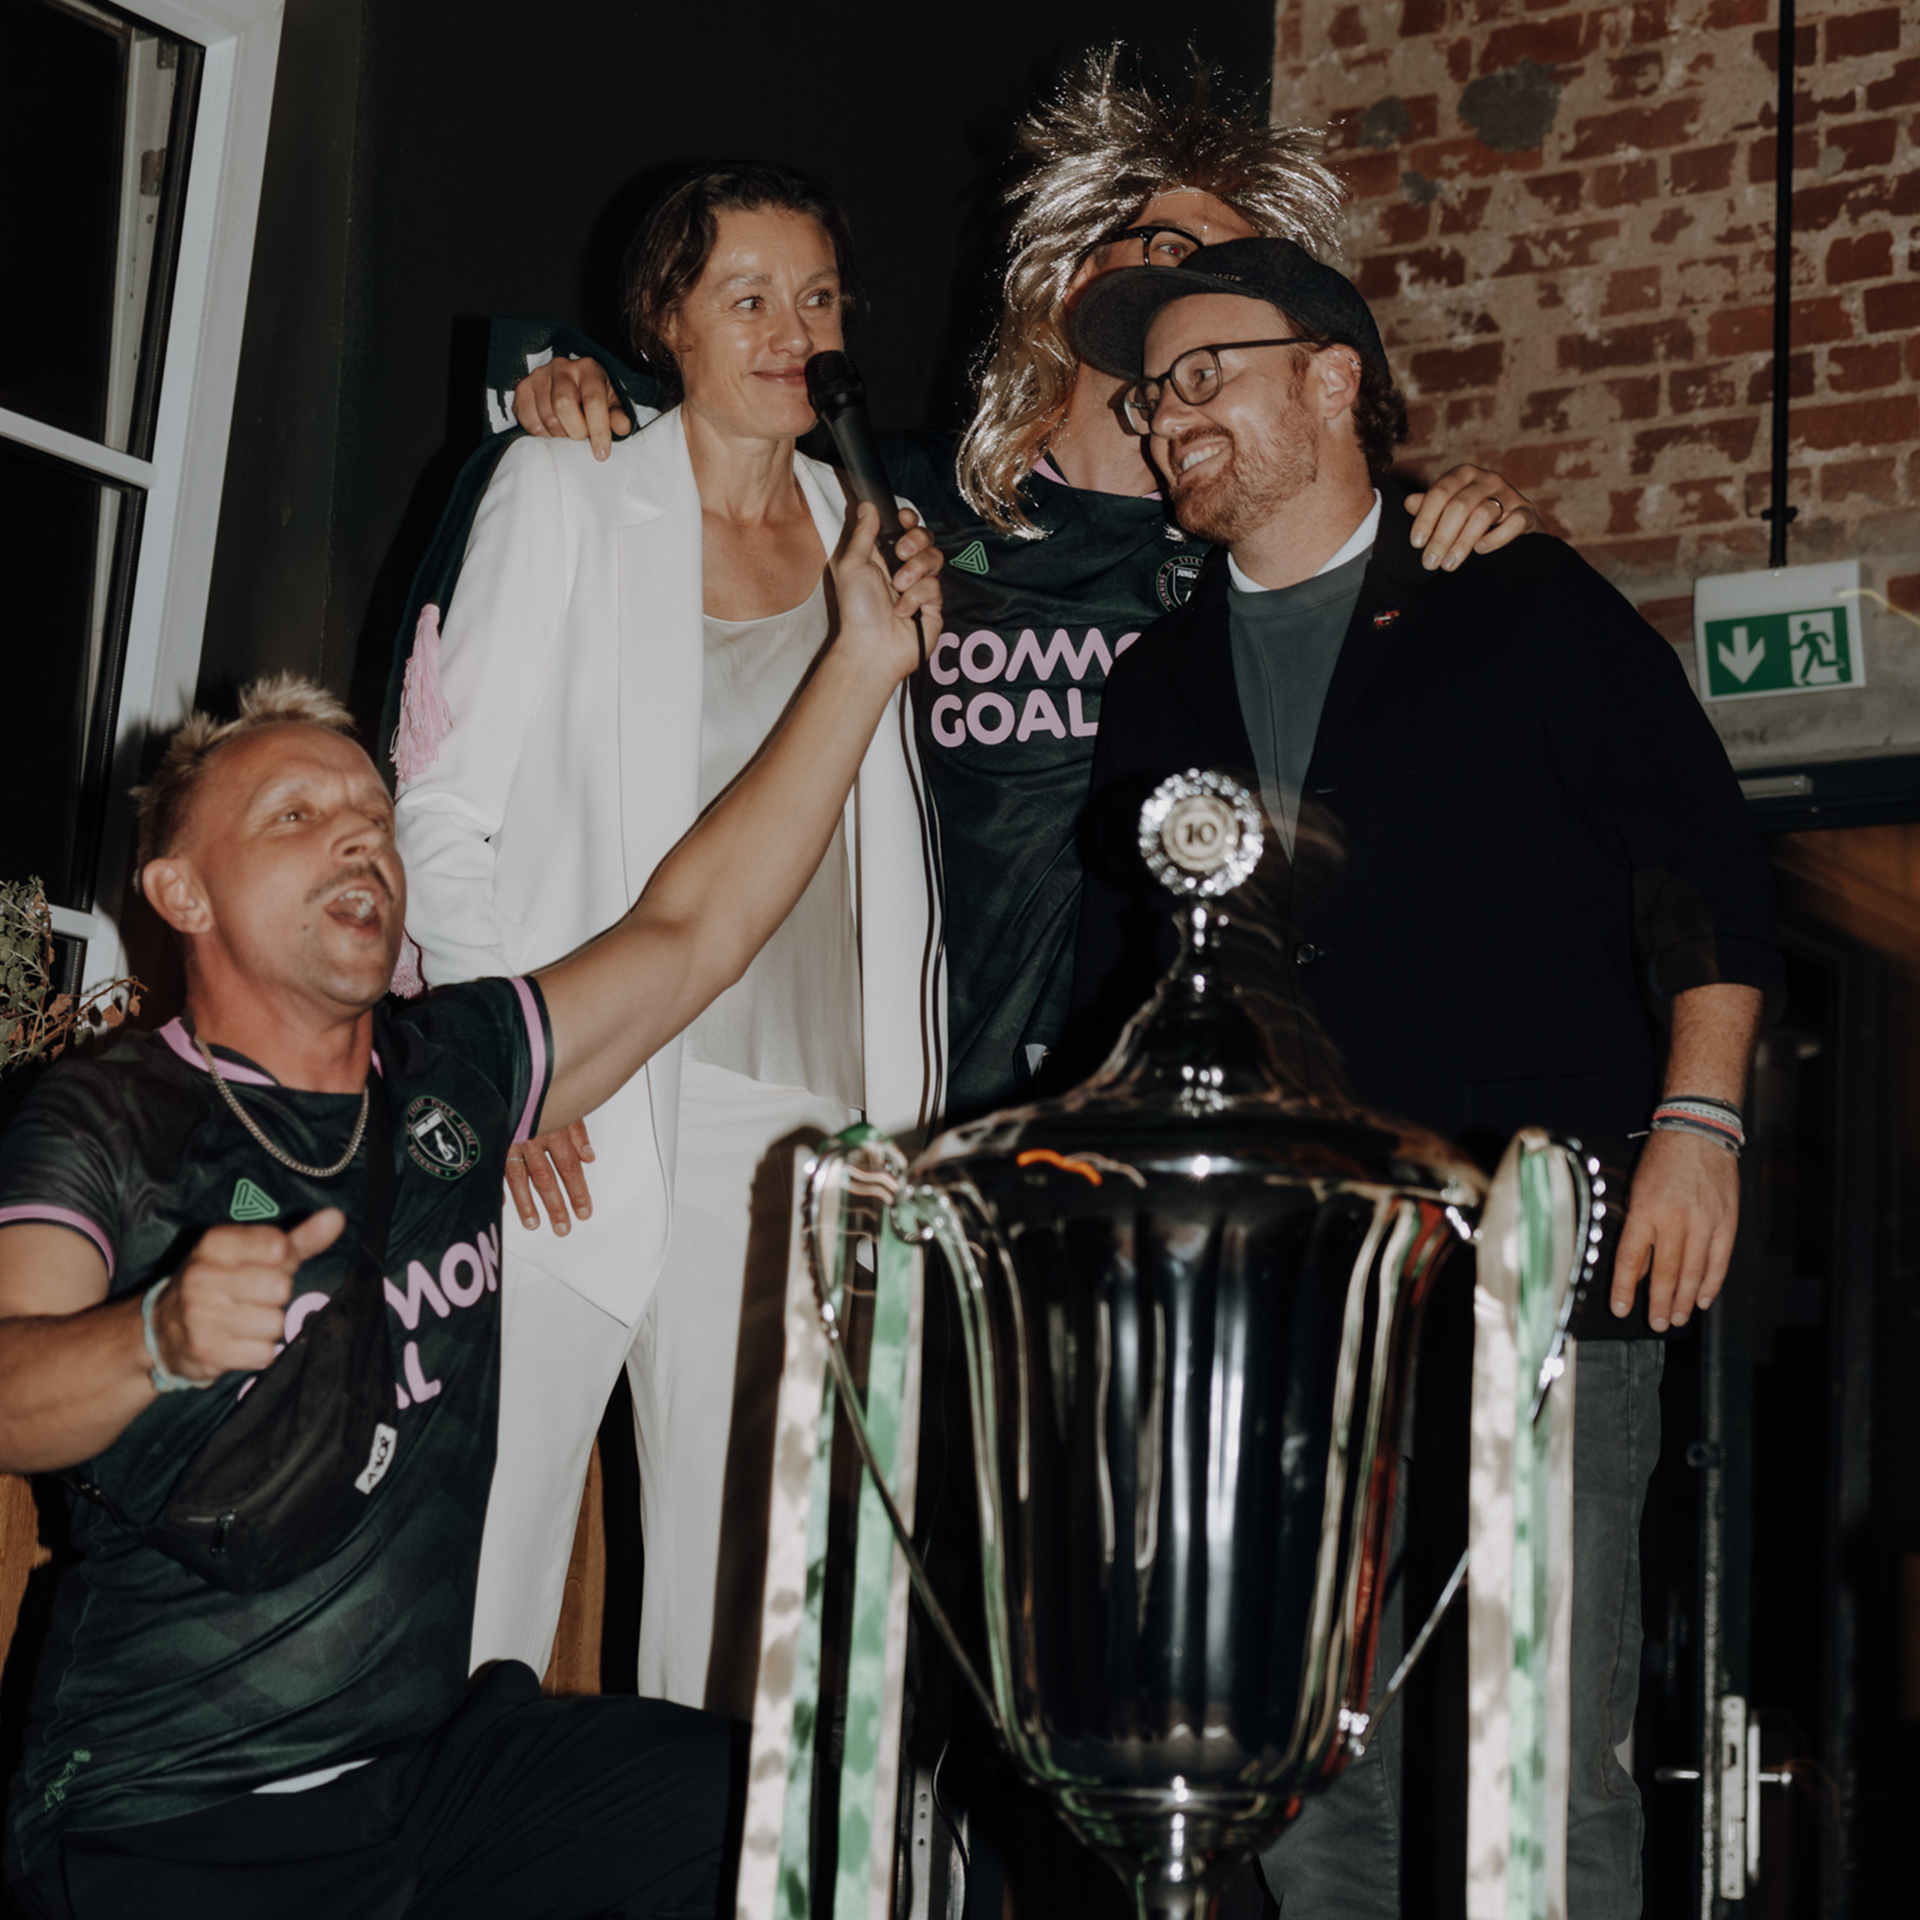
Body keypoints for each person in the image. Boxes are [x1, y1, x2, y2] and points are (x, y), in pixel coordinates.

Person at [0, 503, 930, 1920]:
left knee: (788, 1823)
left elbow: (694, 929)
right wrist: (158, 1341)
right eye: (297, 817)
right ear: (179, 888)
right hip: (168, 1812)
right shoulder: (104, 1120)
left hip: (428, 1778)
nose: (359, 844)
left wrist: (863, 659)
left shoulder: (456, 1067)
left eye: (374, 817)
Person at [1063, 237, 1782, 1917]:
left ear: (1333, 379)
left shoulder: (1513, 595)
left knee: (1537, 1761)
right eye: (1149, 395)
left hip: (1524, 1257)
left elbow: (1702, 871)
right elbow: (1135, 978)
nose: (1168, 421)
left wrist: (1698, 1122)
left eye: (1202, 376)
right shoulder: (1157, 680)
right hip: (1282, 1298)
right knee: (1315, 1781)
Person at [488, 48, 1543, 1134]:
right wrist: (588, 395)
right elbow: (708, 492)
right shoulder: (888, 498)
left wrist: (1459, 520)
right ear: (1077, 273)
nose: (1209, 293)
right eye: (1178, 250)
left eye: (1244, 272)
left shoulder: (1260, 546)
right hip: (888, 1073)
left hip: (1152, 1100)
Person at [390, 163, 946, 1717]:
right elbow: (438, 808)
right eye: (747, 297)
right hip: (575, 1107)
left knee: (746, 1643)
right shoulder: (570, 485)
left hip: (798, 1140)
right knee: (479, 1584)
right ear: (666, 326)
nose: (792, 329)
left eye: (819, 297)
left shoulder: (874, 530)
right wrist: (499, 1065)